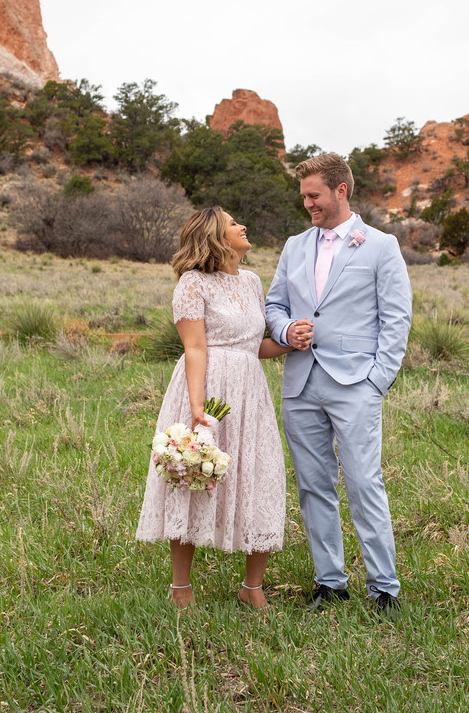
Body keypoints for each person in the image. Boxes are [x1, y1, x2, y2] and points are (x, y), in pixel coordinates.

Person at [136, 206, 310, 610]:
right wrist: (197, 408)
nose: (242, 226)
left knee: (260, 475)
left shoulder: (251, 282)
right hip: (206, 388)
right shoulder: (193, 283)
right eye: (233, 223)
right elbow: (195, 347)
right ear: (214, 235)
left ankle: (252, 587)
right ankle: (181, 587)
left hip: (250, 392)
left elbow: (253, 347)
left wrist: (290, 342)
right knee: (192, 476)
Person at [265, 153, 413, 616]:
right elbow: (273, 305)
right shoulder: (294, 246)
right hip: (301, 382)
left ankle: (383, 588)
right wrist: (286, 330)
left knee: (364, 482)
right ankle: (330, 583)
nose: (307, 203)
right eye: (303, 196)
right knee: (313, 486)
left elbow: (396, 318)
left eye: (314, 195)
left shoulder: (381, 246)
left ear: (340, 190)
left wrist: (377, 381)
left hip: (356, 384)